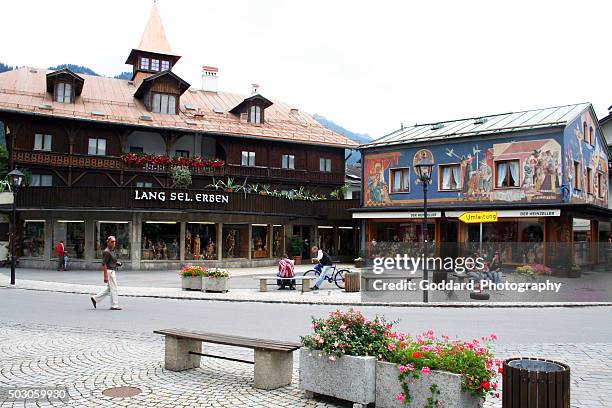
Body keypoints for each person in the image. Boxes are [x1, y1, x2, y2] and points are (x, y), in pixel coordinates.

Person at [90, 236, 122, 310]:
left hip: (112, 270)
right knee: (114, 288)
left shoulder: (112, 251)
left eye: (114, 242)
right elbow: (104, 264)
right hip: (109, 271)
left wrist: (117, 263)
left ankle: (95, 299)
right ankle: (114, 305)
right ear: (108, 242)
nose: (114, 243)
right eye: (112, 242)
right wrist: (105, 276)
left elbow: (111, 261)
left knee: (109, 289)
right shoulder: (106, 251)